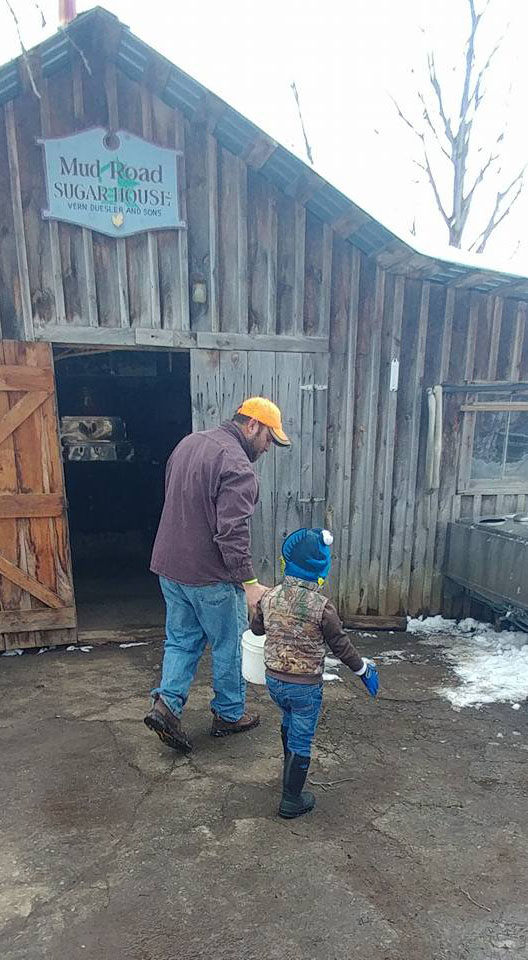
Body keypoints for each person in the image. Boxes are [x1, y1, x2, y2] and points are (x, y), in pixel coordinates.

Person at [144, 397, 290, 754]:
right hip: (210, 576)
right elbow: (232, 533)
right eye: (270, 438)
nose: (269, 448)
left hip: (170, 566)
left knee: (181, 640)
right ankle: (228, 714)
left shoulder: (189, 443)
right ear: (252, 425)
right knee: (228, 645)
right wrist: (250, 584)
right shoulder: (238, 467)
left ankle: (166, 707)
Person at [250, 527, 379, 819]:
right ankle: (291, 800)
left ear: (286, 562)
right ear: (322, 570)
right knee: (302, 736)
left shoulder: (270, 597)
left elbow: (257, 629)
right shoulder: (322, 607)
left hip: (274, 682)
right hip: (305, 687)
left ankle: (288, 773)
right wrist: (363, 670)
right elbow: (341, 646)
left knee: (288, 719)